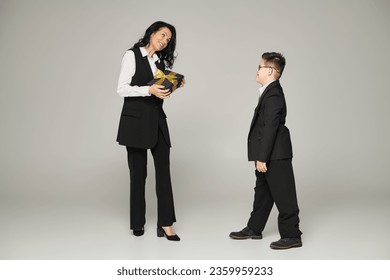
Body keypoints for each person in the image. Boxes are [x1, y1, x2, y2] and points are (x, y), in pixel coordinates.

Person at [116, 21, 183, 241]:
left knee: (164, 173)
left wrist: (174, 84)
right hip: (135, 123)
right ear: (152, 32)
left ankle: (165, 223)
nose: (164, 41)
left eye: (168, 39)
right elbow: (122, 88)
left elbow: (159, 89)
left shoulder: (158, 62)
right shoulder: (132, 55)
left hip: (157, 121)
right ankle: (137, 223)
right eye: (162, 35)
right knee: (138, 175)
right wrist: (149, 89)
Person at [229, 52, 302, 249]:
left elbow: (270, 127)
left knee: (284, 194)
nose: (257, 70)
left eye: (260, 67)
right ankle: (254, 228)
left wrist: (262, 157)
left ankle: (292, 235)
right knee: (263, 192)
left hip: (276, 154)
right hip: (269, 152)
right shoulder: (268, 92)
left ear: (270, 71)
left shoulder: (274, 94)